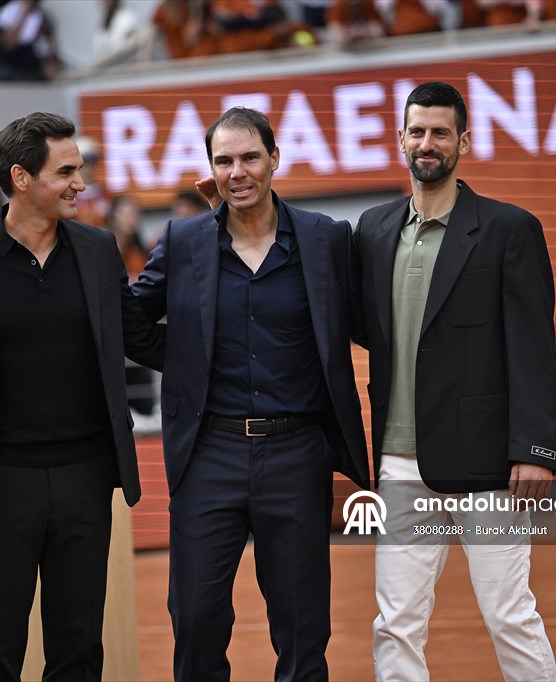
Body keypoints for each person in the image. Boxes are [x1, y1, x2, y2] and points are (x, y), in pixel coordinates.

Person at [0, 112, 164, 681]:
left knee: (79, 650)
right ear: (22, 178)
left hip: (86, 474)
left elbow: (144, 340)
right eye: (67, 171)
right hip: (0, 481)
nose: (81, 183)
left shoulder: (99, 249)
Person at [132, 106, 369, 682]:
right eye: (224, 160)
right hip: (209, 451)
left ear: (274, 160)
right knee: (196, 616)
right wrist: (188, 359)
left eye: (249, 158)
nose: (237, 171)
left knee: (302, 623)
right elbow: (130, 319)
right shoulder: (184, 240)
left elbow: (367, 324)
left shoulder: (325, 239)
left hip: (296, 453)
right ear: (210, 169)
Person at [354, 81, 556, 681]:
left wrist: (534, 450)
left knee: (509, 614)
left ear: (463, 142)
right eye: (417, 131)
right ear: (400, 140)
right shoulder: (371, 230)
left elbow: (532, 348)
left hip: (488, 464)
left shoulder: (508, 229)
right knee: (395, 622)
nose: (427, 142)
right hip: (398, 463)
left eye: (440, 132)